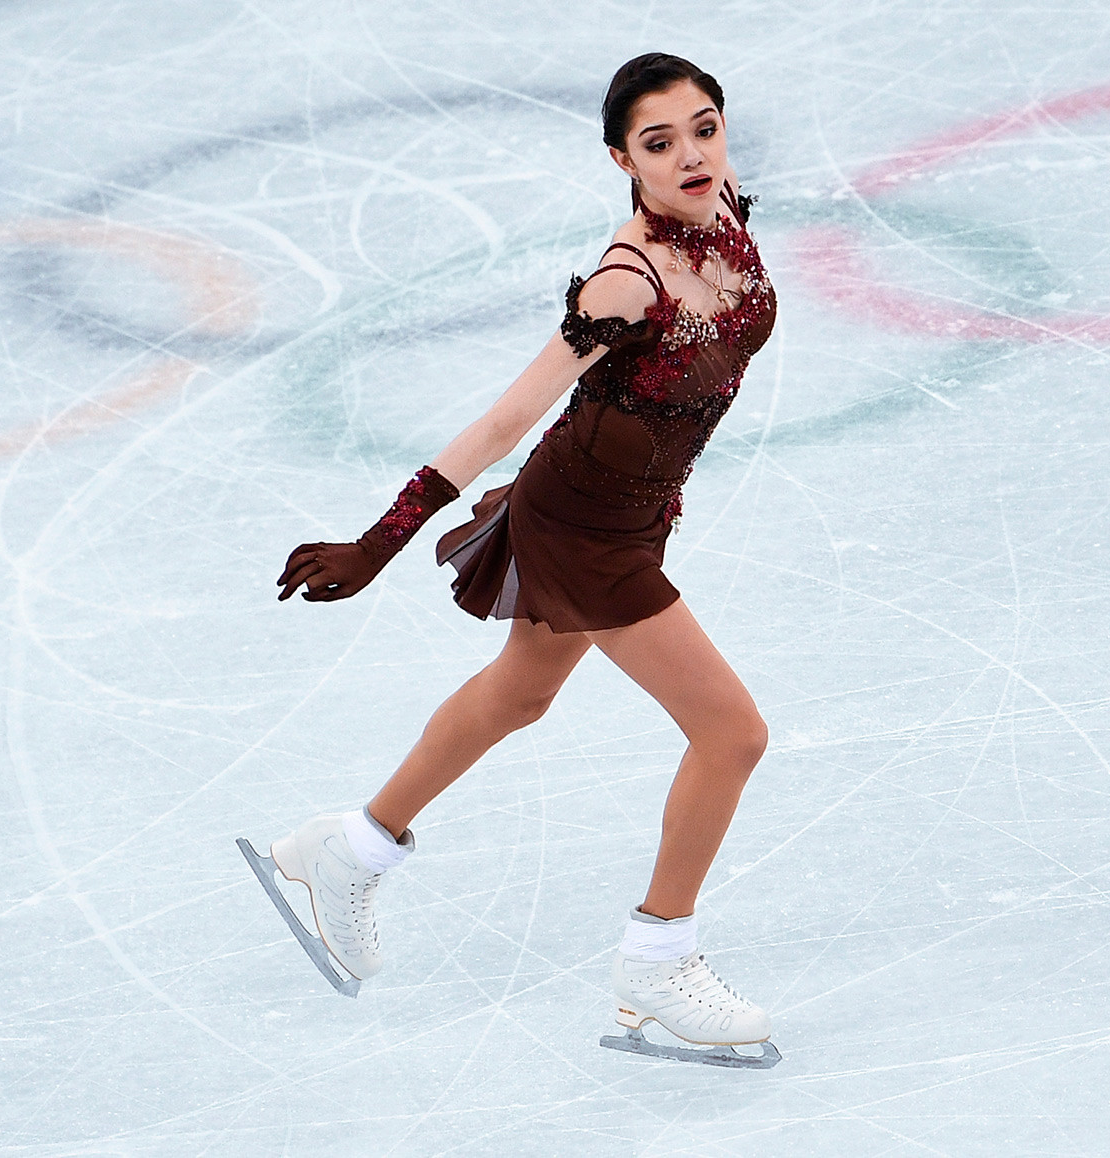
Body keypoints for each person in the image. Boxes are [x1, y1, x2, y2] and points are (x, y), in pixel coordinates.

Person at [259, 52, 781, 1067]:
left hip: (629, 512)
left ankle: (349, 850)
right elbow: (507, 414)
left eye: (705, 128)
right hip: (582, 524)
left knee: (517, 695)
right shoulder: (626, 281)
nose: (691, 155)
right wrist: (379, 540)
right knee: (733, 733)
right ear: (622, 158)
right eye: (660, 142)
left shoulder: (722, 221)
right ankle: (656, 958)